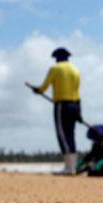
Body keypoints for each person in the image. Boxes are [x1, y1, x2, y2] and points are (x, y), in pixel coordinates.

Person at [30, 47, 81, 175]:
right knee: (71, 135)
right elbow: (77, 91)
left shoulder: (55, 68)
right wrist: (79, 112)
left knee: (62, 135)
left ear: (57, 58)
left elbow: (44, 86)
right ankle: (72, 167)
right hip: (75, 105)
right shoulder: (75, 70)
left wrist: (38, 90)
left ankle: (68, 168)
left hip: (62, 105)